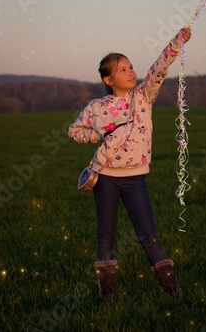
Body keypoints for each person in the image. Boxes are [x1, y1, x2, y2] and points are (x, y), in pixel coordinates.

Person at [68, 27, 192, 300]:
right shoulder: (96, 107)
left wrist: (177, 42)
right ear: (108, 78)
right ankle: (108, 293)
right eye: (123, 70)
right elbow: (74, 131)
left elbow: (158, 69)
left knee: (148, 235)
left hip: (136, 178)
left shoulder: (143, 97)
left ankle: (173, 291)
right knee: (106, 236)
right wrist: (98, 134)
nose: (131, 72)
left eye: (131, 67)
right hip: (105, 178)